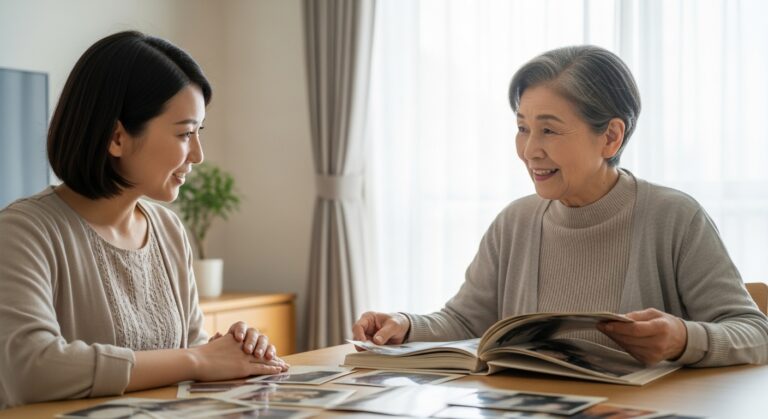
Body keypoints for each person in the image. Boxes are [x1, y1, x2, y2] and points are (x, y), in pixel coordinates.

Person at [352, 45, 768, 368]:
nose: (530, 150)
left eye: (549, 130)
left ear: (611, 137)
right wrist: (405, 325)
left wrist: (682, 338)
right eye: (522, 127)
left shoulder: (674, 218)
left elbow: (756, 332)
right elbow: (464, 321)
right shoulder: (515, 222)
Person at [0, 31, 289, 408]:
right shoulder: (23, 231)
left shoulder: (169, 230)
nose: (198, 155)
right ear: (116, 137)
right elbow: (31, 370)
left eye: (199, 132)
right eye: (185, 133)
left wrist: (232, 353)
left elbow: (191, 352)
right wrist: (198, 360)